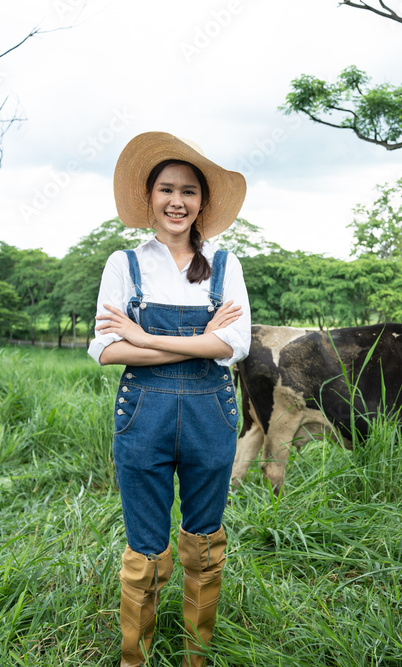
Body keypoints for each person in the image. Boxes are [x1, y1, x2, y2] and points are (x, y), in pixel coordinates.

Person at [89, 131, 251, 667]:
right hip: (144, 416)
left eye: (188, 191)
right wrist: (197, 341)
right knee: (145, 549)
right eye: (166, 189)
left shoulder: (227, 266)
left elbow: (234, 345)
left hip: (211, 417)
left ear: (203, 202)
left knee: (205, 545)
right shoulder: (125, 264)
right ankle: (135, 659)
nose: (177, 201)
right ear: (150, 197)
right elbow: (107, 352)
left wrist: (145, 338)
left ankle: (195, 658)